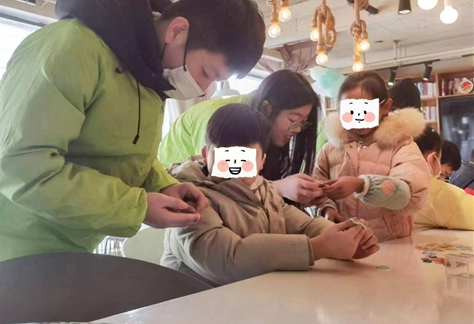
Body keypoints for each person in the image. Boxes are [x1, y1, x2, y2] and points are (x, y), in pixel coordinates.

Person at [0, 0, 266, 271]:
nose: (202, 88)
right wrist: (138, 207)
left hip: (67, 242)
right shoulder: (71, 48)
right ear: (178, 31)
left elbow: (126, 155)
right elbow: (23, 166)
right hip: (6, 243)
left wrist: (165, 187)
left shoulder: (149, 76)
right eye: (206, 73)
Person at [161, 104, 379, 287]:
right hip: (192, 309)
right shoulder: (188, 199)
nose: (234, 168)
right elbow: (229, 259)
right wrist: (317, 248)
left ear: (261, 162)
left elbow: (304, 226)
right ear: (205, 155)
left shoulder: (263, 190)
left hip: (249, 301)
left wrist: (344, 239)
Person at [159, 69, 326, 206]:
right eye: (293, 120)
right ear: (266, 108)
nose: (298, 130)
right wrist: (277, 188)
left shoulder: (259, 126)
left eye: (303, 122)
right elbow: (216, 188)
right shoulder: (223, 121)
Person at [313, 71, 430, 242]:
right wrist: (327, 209)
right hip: (344, 243)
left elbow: (412, 194)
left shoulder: (401, 145)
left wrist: (362, 185)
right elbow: (317, 187)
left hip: (390, 242)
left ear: (385, 107)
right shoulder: (330, 149)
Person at [413, 127, 473, 230]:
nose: (441, 179)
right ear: (433, 159)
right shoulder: (431, 190)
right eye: (442, 174)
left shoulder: (390, 178)